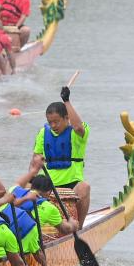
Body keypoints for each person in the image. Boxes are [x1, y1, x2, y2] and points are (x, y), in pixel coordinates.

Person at [32, 85, 91, 226]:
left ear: (66, 118)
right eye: (50, 122)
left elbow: (78, 127)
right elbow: (35, 160)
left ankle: (79, 227)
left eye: (56, 121)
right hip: (48, 184)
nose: (53, 125)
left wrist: (66, 101)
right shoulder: (43, 133)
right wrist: (31, 181)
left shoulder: (77, 133)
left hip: (72, 184)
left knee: (85, 187)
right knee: (24, 188)